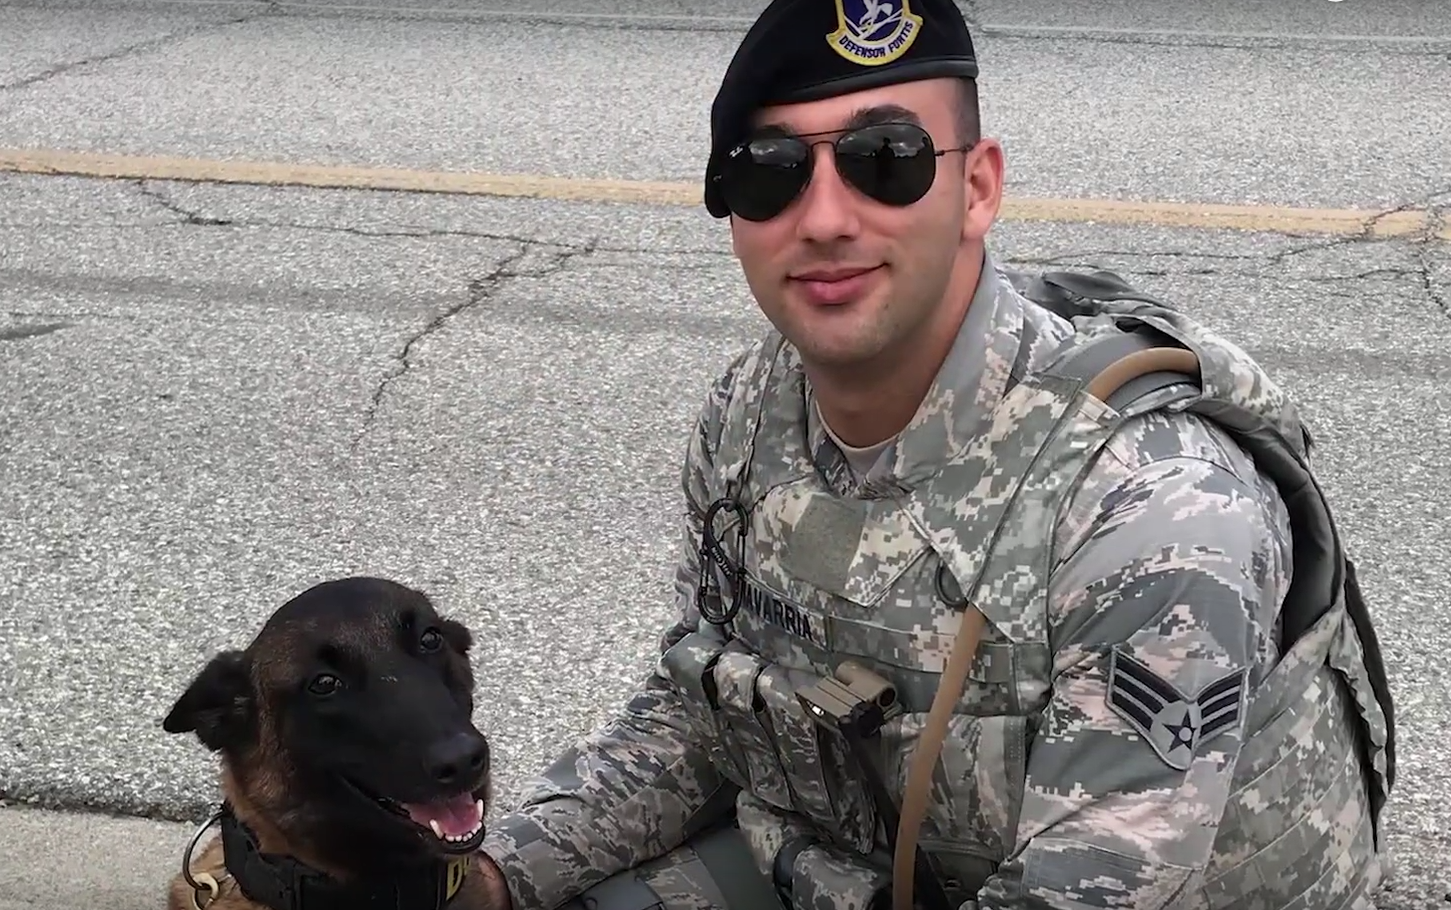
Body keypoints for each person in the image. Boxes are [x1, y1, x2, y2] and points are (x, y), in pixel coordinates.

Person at [460, 0, 1400, 908]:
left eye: (886, 159)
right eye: (769, 172)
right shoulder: (750, 416)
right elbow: (701, 715)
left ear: (978, 186)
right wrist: (501, 878)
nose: (824, 217)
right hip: (868, 863)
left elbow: (1088, 893)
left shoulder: (1149, 504)